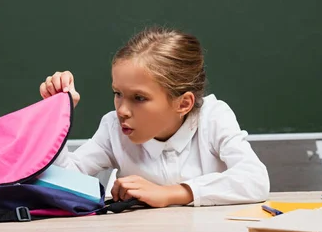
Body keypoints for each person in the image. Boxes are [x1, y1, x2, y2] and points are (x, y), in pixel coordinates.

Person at [39, 26, 270, 208]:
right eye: (118, 94)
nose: (122, 110)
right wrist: (57, 112)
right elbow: (61, 183)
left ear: (184, 103)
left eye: (139, 98)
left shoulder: (212, 118)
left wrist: (172, 193)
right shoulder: (113, 128)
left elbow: (255, 180)